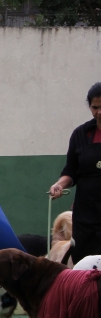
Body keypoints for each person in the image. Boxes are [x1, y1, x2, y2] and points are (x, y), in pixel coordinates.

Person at [50, 83, 101, 262]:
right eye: (95, 107)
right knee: (83, 262)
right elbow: (70, 171)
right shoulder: (80, 134)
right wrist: (59, 184)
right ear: (89, 106)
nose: (100, 112)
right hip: (85, 215)